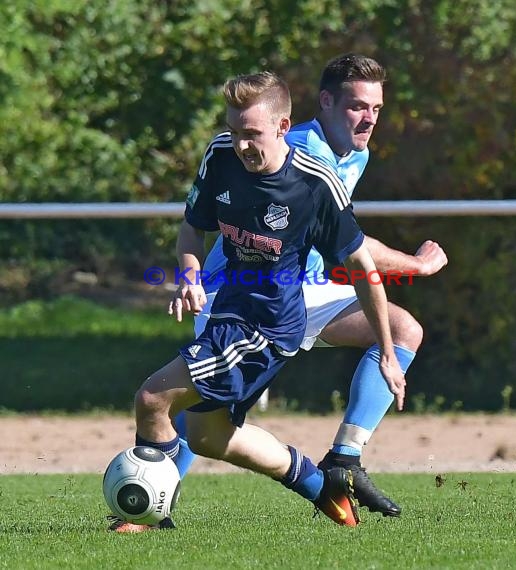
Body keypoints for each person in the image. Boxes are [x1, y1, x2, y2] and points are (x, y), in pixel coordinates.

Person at [109, 70, 405, 532]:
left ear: (283, 127)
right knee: (210, 437)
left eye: (252, 134)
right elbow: (192, 227)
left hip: (267, 327)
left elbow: (364, 270)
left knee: (152, 398)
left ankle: (149, 516)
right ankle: (319, 484)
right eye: (234, 131)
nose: (242, 145)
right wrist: (189, 274)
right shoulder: (220, 154)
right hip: (227, 309)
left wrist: (387, 351)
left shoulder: (314, 184)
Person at [175, 54, 448, 517]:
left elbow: (346, 243)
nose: (368, 119)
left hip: (303, 287)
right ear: (324, 102)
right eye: (357, 106)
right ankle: (154, 490)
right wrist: (414, 266)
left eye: (376, 109)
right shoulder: (294, 150)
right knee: (209, 411)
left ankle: (345, 460)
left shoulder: (355, 155)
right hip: (242, 291)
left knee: (402, 331)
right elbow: (357, 246)